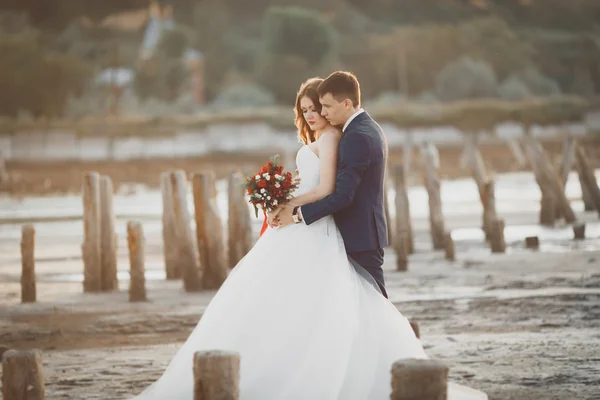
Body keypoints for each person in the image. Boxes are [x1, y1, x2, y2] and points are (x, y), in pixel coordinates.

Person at [131, 73, 487, 400]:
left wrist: (293, 209)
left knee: (368, 307)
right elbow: (326, 186)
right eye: (309, 109)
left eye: (321, 107)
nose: (318, 114)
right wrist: (285, 200)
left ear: (341, 104)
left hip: (351, 232)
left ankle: (385, 373)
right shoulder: (347, 132)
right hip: (338, 229)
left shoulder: (350, 136)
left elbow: (337, 192)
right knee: (319, 303)